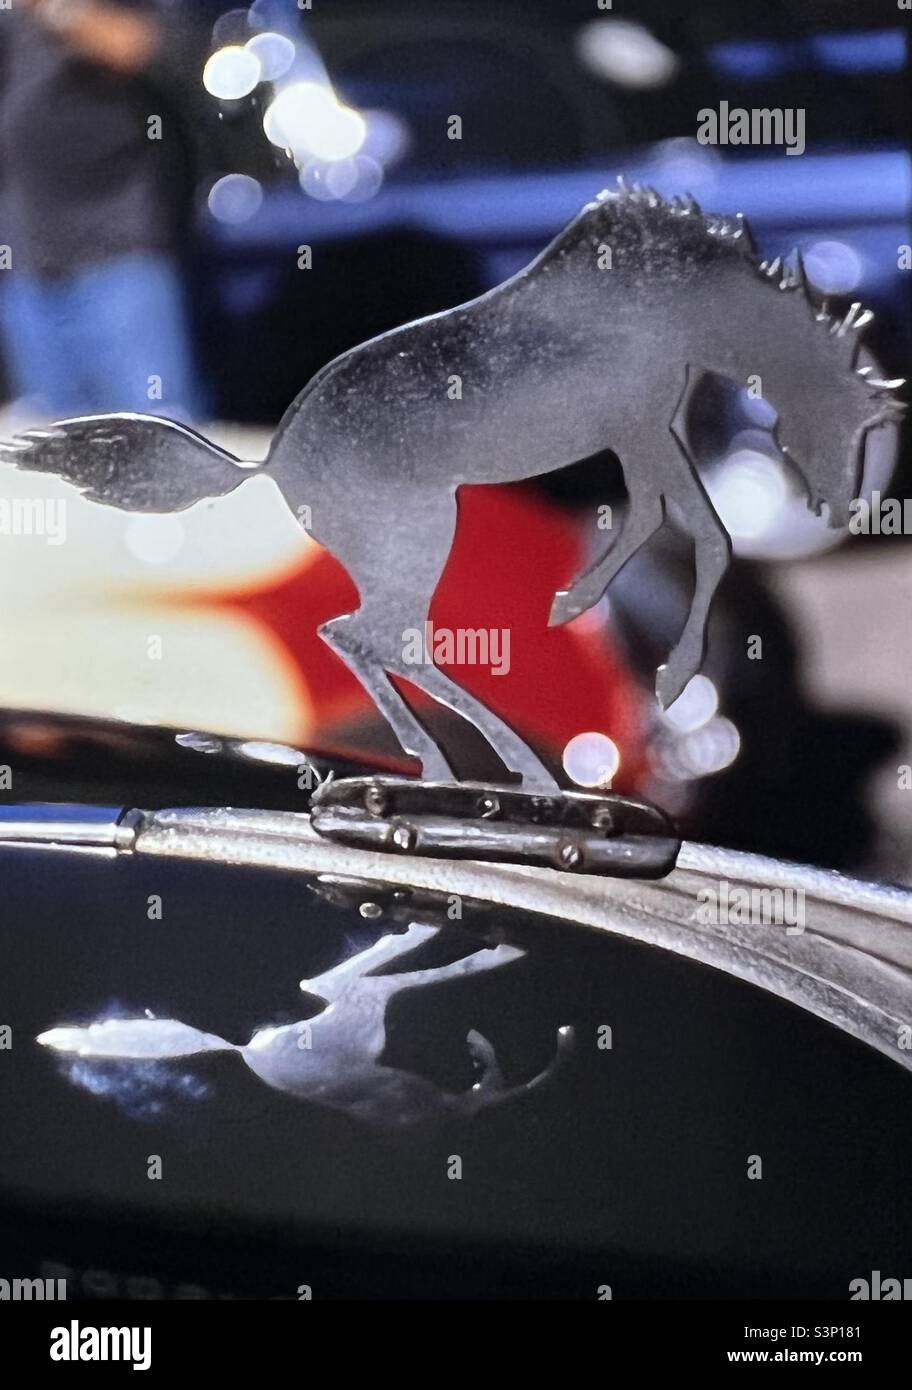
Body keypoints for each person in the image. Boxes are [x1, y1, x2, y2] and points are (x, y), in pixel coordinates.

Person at [0, 0, 207, 419]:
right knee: (54, 452)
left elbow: (146, 47)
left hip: (120, 250)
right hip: (25, 258)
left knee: (156, 436)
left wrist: (55, 10)